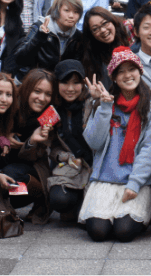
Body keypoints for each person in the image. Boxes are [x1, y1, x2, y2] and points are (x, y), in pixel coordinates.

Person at [79, 47, 151, 243]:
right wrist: (104, 108)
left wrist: (134, 184)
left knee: (124, 232)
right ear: (114, 77)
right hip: (105, 179)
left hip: (136, 181)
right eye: (121, 71)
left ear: (140, 71)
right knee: (98, 232)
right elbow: (94, 142)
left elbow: (150, 149)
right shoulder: (105, 103)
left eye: (131, 69)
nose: (127, 75)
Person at [6, 69, 58, 224]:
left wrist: (33, 141)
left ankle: (40, 196)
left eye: (48, 94)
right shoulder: (11, 105)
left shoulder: (48, 118)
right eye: (37, 91)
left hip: (31, 167)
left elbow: (33, 156)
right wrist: (2, 135)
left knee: (11, 175)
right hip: (4, 161)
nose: (42, 98)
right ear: (28, 88)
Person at [47, 60, 96, 222]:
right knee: (59, 199)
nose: (70, 88)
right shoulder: (52, 108)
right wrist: (65, 157)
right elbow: (51, 147)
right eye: (65, 82)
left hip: (96, 165)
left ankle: (83, 203)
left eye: (76, 83)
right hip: (71, 166)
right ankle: (74, 204)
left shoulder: (93, 103)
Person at [13, 0, 84, 77]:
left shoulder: (78, 36)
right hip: (33, 82)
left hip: (59, 86)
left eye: (76, 12)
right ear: (57, 11)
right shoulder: (40, 26)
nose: (71, 15)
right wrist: (40, 36)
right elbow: (20, 58)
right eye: (66, 10)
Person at [78, 7, 133, 87]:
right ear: (91, 34)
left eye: (104, 23)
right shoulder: (93, 59)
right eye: (95, 29)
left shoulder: (130, 34)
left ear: (112, 21)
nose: (103, 30)